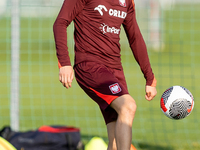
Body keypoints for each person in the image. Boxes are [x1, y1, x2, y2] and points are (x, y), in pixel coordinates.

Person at [53, 0, 157, 149]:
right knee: (128, 106)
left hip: (115, 71)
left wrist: (149, 77)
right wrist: (64, 63)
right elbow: (60, 23)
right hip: (90, 67)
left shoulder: (127, 2)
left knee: (115, 141)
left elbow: (135, 37)